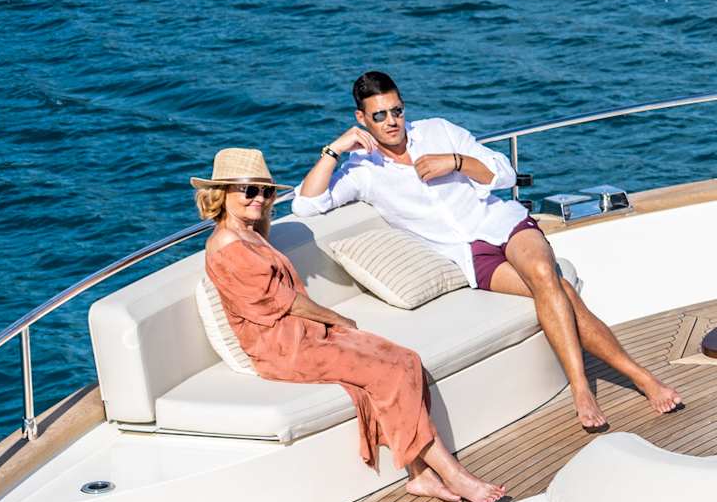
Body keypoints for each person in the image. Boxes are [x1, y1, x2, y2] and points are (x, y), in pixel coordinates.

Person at [292, 71, 682, 431]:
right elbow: (305, 206)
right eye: (380, 116)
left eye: (396, 111)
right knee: (559, 292)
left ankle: (581, 387)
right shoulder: (362, 170)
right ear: (361, 119)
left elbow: (504, 172)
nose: (392, 122)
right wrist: (334, 150)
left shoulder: (438, 131)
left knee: (546, 276)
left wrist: (456, 162)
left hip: (502, 224)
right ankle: (640, 378)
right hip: (467, 256)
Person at [191, 146, 506, 502]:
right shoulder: (229, 247)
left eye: (265, 191)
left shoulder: (251, 233)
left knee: (404, 359)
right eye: (249, 191)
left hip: (300, 334)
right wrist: (338, 320)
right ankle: (454, 474)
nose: (259, 199)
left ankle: (421, 477)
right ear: (222, 194)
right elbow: (284, 302)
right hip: (281, 347)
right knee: (389, 368)